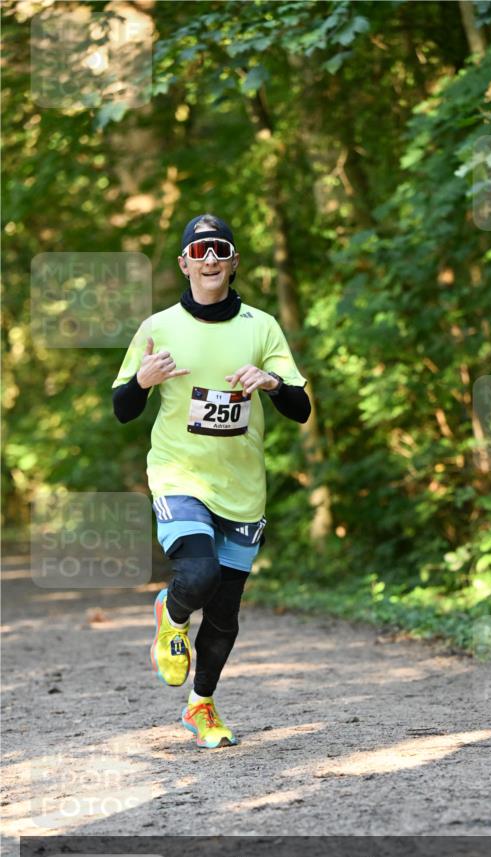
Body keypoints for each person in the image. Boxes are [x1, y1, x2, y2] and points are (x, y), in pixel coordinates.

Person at [112, 213, 310, 748]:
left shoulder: (261, 327)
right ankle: (172, 613)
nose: (210, 259)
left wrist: (272, 383)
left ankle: (201, 705)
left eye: (219, 249)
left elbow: (301, 408)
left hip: (242, 487)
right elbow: (123, 409)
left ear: (234, 260)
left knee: (224, 613)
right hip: (179, 474)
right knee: (198, 575)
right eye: (199, 251)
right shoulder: (157, 328)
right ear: (184, 263)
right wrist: (141, 381)